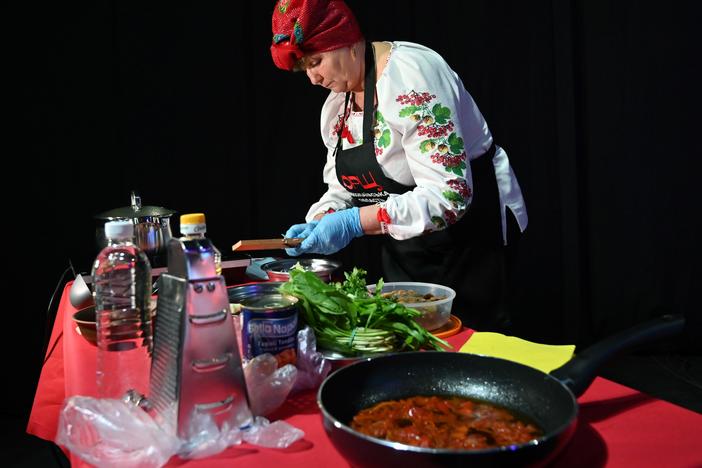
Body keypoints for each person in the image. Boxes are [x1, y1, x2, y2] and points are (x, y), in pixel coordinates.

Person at [271, 0, 527, 331]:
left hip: (471, 238)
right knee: (410, 347)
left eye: (316, 62)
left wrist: (354, 223)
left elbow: (450, 196)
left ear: (346, 40)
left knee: (472, 350)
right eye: (304, 69)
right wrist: (324, 218)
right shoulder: (341, 104)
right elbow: (343, 186)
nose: (313, 79)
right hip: (407, 246)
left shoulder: (411, 79)